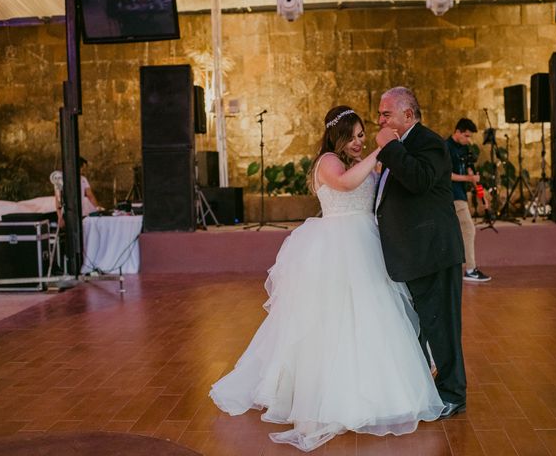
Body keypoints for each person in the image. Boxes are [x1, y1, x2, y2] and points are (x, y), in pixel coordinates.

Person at [210, 106, 444, 452]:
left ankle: (381, 391)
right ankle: (332, 396)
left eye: (364, 136)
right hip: (338, 248)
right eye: (355, 136)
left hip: (369, 244)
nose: (360, 142)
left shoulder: (361, 163)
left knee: (373, 316)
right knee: (334, 321)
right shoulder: (327, 163)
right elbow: (347, 184)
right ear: (339, 136)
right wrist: (383, 149)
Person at [375, 87, 467, 420]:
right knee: (424, 326)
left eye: (386, 114)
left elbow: (419, 180)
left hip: (434, 252)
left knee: (443, 326)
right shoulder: (402, 147)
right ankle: (429, 388)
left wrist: (391, 148)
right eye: (380, 114)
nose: (380, 120)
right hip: (415, 254)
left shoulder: (428, 142)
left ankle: (453, 393)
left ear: (408, 115)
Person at [447, 118, 491, 282]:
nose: (468, 139)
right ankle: (470, 270)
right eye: (466, 136)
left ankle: (464, 270)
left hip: (461, 195)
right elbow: (447, 175)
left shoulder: (464, 149)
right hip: (452, 195)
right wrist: (468, 177)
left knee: (457, 232)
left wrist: (482, 196)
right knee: (468, 229)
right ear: (457, 132)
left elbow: (471, 172)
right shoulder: (446, 148)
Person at [56, 157, 102, 227]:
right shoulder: (60, 178)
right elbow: (58, 198)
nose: (84, 171)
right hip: (68, 213)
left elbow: (90, 195)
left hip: (81, 212)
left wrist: (97, 208)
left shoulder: (83, 179)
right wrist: (60, 216)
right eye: (83, 169)